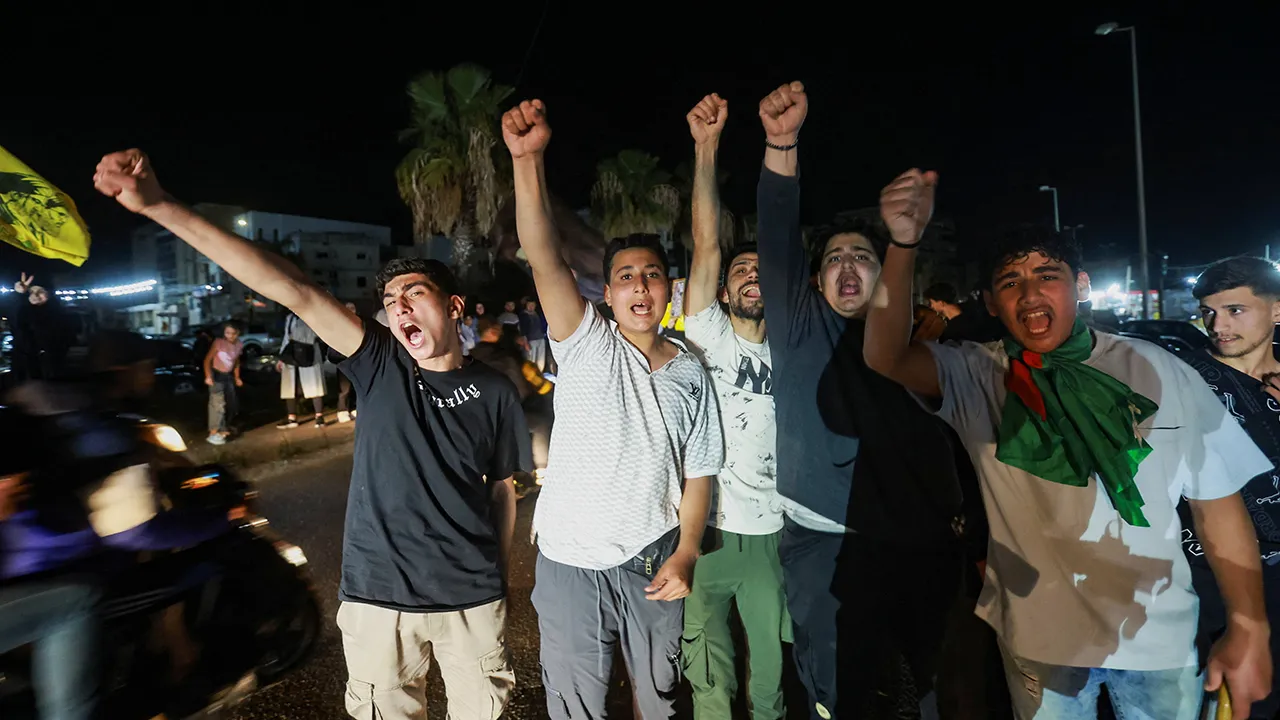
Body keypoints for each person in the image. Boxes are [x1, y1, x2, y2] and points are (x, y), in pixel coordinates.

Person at [93, 150, 528, 720]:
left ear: (454, 306)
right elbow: (294, 288)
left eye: (414, 294)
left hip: (471, 599)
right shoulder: (381, 363)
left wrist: (498, 576)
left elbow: (500, 488)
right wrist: (159, 205)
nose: (398, 308)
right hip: (379, 602)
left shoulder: (495, 390)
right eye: (390, 302)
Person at [864, 174, 1274, 719]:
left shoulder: (1159, 369)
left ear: (1080, 286)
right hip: (1041, 640)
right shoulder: (978, 374)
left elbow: (1216, 501)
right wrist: (903, 243)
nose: (1030, 293)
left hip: (1158, 635)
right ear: (991, 302)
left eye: (1047, 275)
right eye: (1010, 281)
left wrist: (1248, 624)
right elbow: (886, 356)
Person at [755, 81, 973, 720]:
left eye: (862, 257)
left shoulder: (920, 346)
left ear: (886, 275)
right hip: (826, 544)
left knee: (930, 682)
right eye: (834, 258)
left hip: (919, 541)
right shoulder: (798, 327)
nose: (847, 266)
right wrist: (781, 144)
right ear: (815, 279)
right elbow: (775, 231)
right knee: (840, 689)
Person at [502, 99, 723, 720]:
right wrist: (527, 161)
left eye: (651, 275)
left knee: (660, 699)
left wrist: (686, 551)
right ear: (607, 292)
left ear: (668, 289)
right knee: (577, 707)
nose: (640, 285)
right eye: (625, 276)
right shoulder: (586, 341)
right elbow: (544, 256)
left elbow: (699, 473)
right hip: (570, 562)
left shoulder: (691, 369)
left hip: (653, 555)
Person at [678, 93, 789, 720]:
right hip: (706, 532)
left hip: (769, 534)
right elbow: (705, 243)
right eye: (741, 269)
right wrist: (706, 147)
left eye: (761, 269)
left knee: (768, 676)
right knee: (708, 674)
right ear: (723, 291)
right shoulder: (708, 335)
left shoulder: (792, 352)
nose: (751, 275)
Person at [1177, 256, 1280, 718]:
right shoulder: (1183, 380)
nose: (1218, 325)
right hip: (1212, 579)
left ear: (1277, 310)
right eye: (1208, 312)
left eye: (1235, 310)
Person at [10, 272, 68, 382]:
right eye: (31, 291)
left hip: (53, 378)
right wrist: (19, 295)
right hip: (26, 377)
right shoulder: (22, 312)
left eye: (40, 291)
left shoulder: (57, 314)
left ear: (49, 293)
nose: (35, 295)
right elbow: (14, 317)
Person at [276, 312, 326, 428]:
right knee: (289, 386)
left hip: (310, 352)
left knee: (314, 384)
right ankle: (292, 417)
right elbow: (286, 337)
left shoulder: (312, 314)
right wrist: (282, 357)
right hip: (293, 352)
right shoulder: (290, 317)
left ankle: (319, 416)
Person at [924, 282, 1005, 344]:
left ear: (941, 302)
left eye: (931, 303)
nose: (931, 306)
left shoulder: (953, 329)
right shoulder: (972, 312)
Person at [204, 321, 244, 444]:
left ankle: (223, 428)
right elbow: (207, 360)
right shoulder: (218, 343)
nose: (230, 336)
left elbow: (236, 362)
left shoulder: (239, 345)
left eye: (233, 333)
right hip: (216, 375)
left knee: (231, 403)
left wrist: (237, 377)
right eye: (227, 333)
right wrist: (208, 376)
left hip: (228, 376)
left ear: (238, 333)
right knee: (217, 403)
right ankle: (213, 432)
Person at [330, 302, 359, 423]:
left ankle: (353, 408)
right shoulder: (339, 323)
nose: (351, 310)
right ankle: (342, 410)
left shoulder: (359, 322)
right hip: (343, 360)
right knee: (344, 388)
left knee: (355, 386)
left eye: (353, 308)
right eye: (349, 308)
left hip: (356, 360)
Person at [519, 297, 548, 371]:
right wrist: (525, 342)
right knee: (531, 359)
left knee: (541, 359)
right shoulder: (524, 315)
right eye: (529, 305)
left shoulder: (537, 314)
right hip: (531, 340)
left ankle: (540, 373)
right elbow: (523, 330)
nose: (531, 307)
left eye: (533, 305)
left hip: (541, 338)